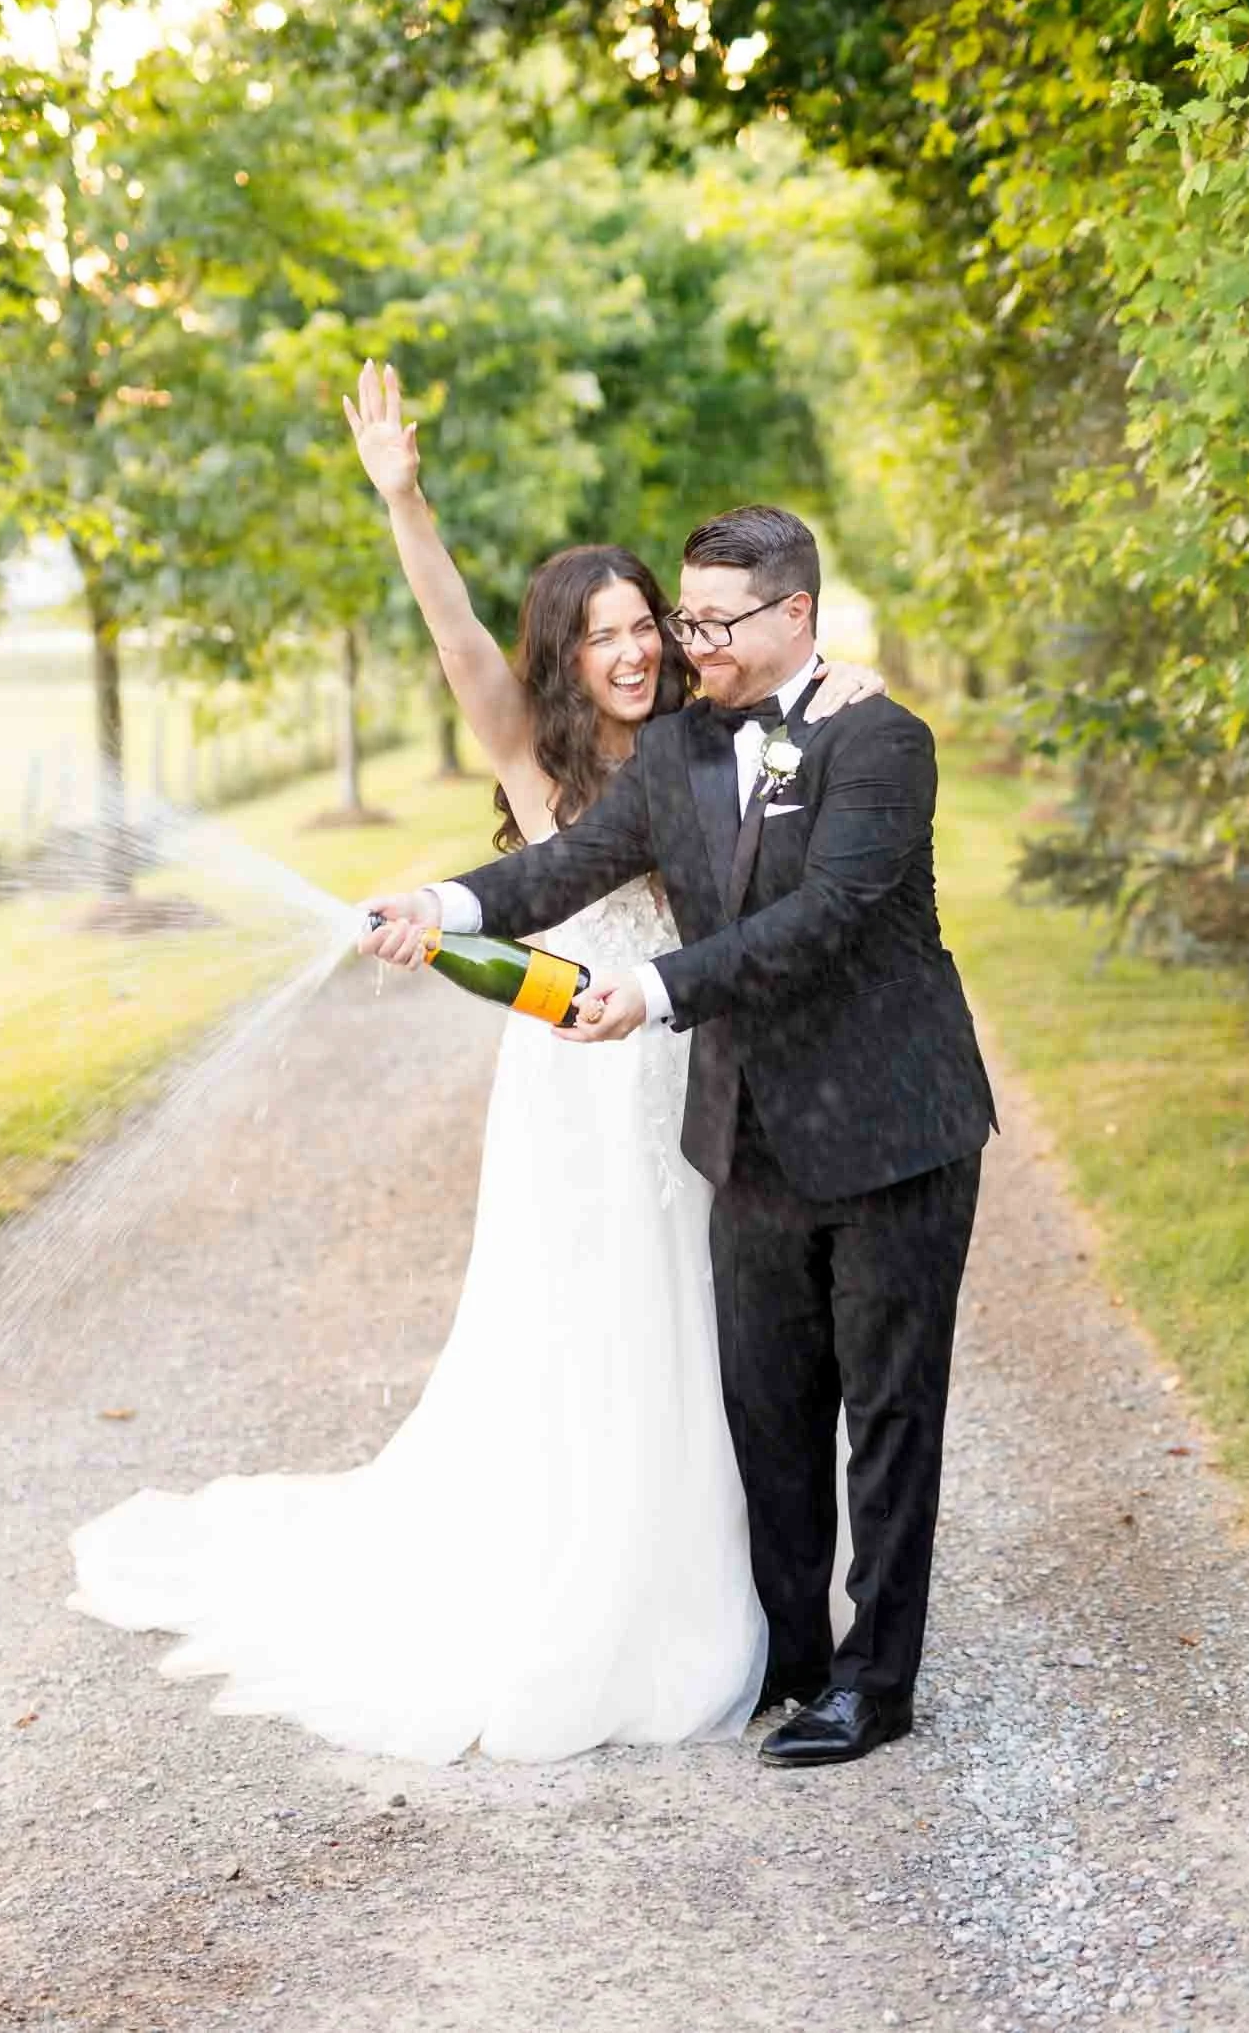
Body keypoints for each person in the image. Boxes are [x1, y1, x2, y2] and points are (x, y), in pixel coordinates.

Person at [67, 364, 884, 1763]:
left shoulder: (715, 737)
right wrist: (403, 498)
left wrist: (842, 697)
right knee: (590, 1330)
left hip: (691, 1080)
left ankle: (748, 1598)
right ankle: (597, 1589)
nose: (631, 653)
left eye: (646, 627)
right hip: (575, 1100)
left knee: (717, 1338)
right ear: (561, 655)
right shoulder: (533, 760)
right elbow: (452, 643)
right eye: (602, 635)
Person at [366, 501, 997, 1768]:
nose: (689, 643)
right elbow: (566, 865)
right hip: (747, 1139)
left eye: (711, 622)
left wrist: (652, 993)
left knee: (884, 1415)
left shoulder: (881, 741)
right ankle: (795, 1661)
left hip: (893, 1129)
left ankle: (876, 1682)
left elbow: (820, 917)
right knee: (766, 1415)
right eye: (685, 619)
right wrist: (439, 902)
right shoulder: (676, 754)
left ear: (795, 615)